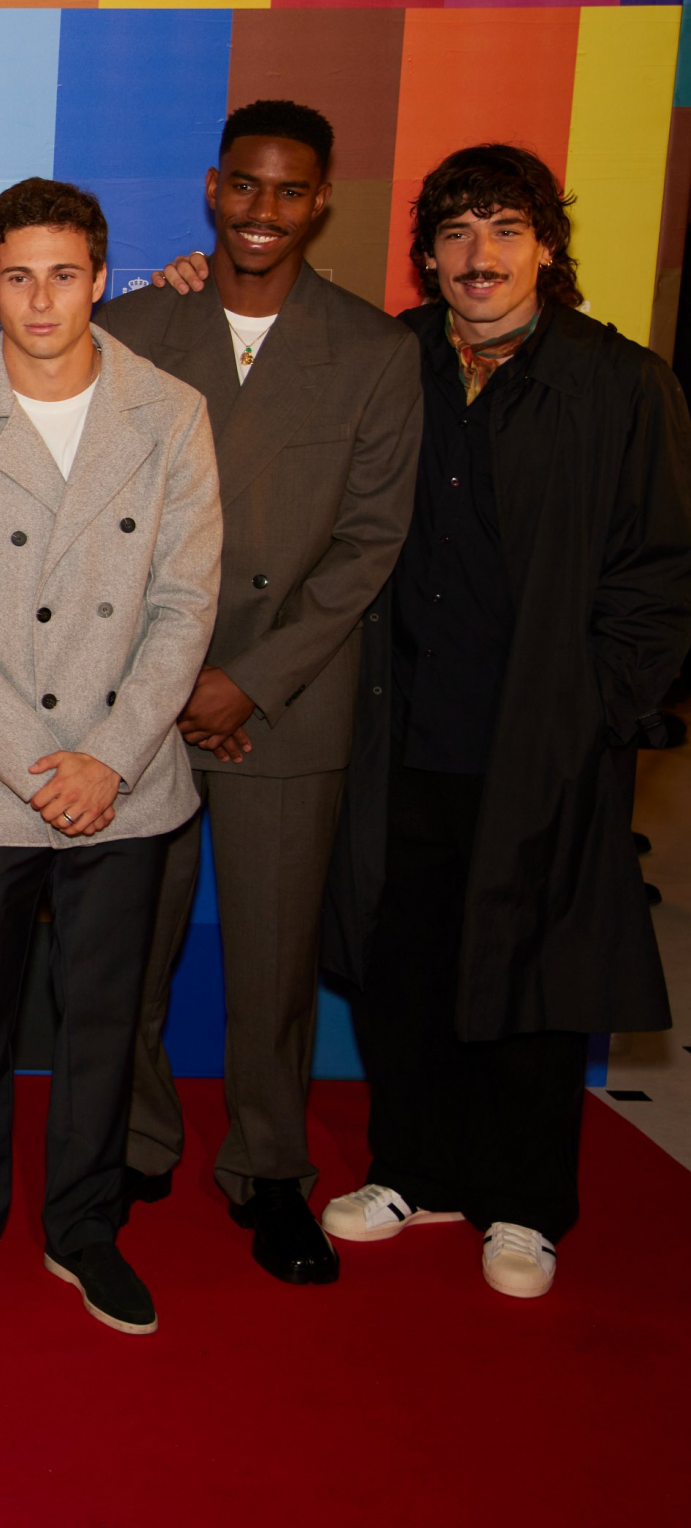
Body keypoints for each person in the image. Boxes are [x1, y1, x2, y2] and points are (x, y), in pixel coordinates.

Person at [318, 143, 691, 1300]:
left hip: (543, 738)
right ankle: (412, 1167)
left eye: (504, 229)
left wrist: (594, 712)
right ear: (426, 254)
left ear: (545, 245)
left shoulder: (615, 384)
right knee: (403, 955)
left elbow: (659, 571)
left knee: (534, 970)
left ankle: (523, 1200)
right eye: (456, 233)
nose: (479, 257)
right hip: (401, 730)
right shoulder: (393, 362)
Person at [95, 101, 419, 1286]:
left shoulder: (374, 350)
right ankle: (130, 1142)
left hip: (282, 699)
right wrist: (165, 679)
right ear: (209, 187)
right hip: (137, 696)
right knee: (123, 946)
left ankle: (268, 1164)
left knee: (272, 960)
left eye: (287, 192)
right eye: (243, 186)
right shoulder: (131, 324)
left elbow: (370, 542)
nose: (260, 212)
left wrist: (249, 678)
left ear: (318, 201)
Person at [0, 177, 219, 1338]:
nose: (40, 298)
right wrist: (48, 764)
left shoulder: (169, 413)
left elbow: (184, 603)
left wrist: (110, 759)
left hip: (127, 784)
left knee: (100, 1026)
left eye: (63, 274)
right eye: (17, 276)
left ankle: (81, 1228)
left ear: (97, 278)